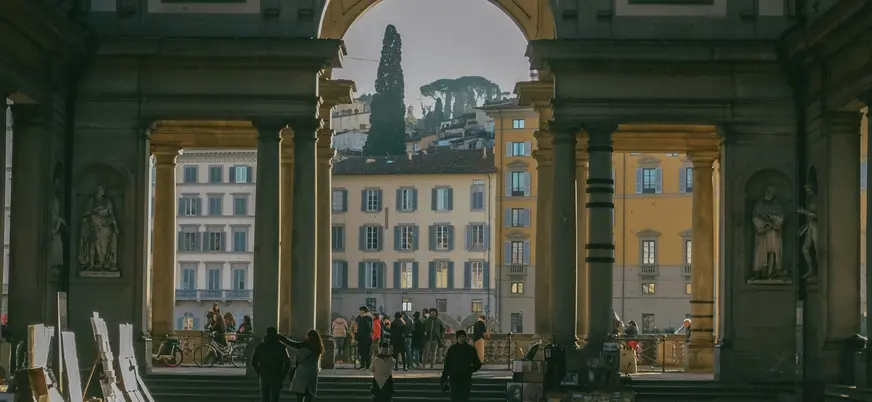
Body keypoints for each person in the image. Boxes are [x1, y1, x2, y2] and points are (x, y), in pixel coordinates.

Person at [279, 330, 324, 402]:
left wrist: (281, 338)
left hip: (302, 371)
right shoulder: (318, 348)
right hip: (312, 372)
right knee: (309, 395)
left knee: (299, 395)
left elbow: (292, 343)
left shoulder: (304, 345)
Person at [252, 327, 291, 402]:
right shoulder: (280, 346)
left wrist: (259, 372)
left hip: (264, 373)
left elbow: (254, 362)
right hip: (276, 374)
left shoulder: (260, 346)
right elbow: (287, 362)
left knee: (265, 397)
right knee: (275, 397)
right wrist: (283, 374)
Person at [441, 330, 482, 402]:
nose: (461, 338)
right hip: (454, 377)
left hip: (465, 377)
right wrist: (444, 376)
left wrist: (470, 370)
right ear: (457, 338)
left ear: (465, 337)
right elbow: (447, 364)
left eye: (463, 336)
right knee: (454, 397)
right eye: (460, 337)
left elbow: (477, 363)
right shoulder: (452, 349)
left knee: (464, 397)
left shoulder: (470, 349)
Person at [356, 306, 374, 370]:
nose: (360, 312)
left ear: (364, 311)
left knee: (365, 352)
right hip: (367, 337)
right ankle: (365, 365)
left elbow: (363, 328)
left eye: (361, 310)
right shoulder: (368, 317)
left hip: (365, 337)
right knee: (365, 352)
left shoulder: (366, 318)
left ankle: (365, 365)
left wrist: (357, 336)